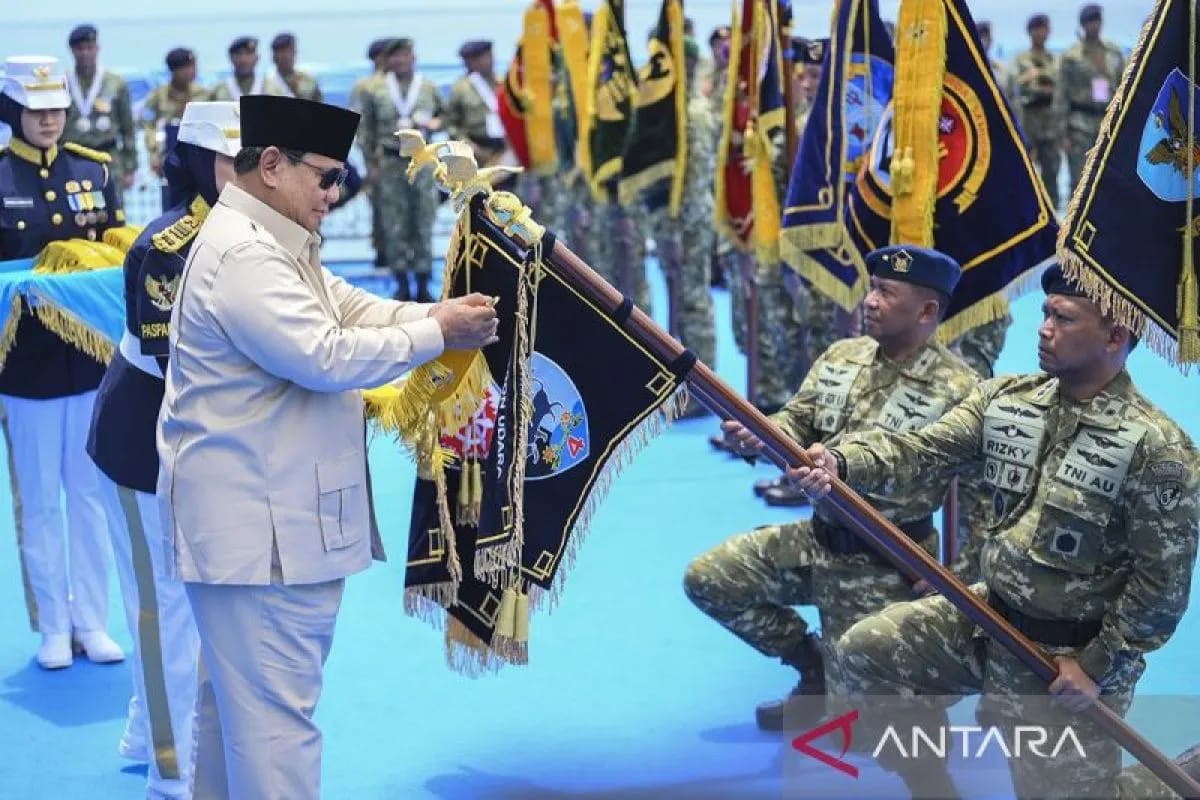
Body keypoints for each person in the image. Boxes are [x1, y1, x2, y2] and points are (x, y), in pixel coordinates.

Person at [157, 93, 500, 799]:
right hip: (262, 540)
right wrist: (439, 335)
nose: (335, 194)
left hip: (265, 526)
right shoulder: (247, 254)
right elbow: (324, 354)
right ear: (273, 165)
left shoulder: (269, 236)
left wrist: (436, 314)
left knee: (238, 725)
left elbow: (349, 307)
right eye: (327, 177)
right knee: (277, 736)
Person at [789, 264, 1200, 798]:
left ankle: (1183, 773)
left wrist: (1096, 667)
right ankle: (929, 783)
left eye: (1064, 318)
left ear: (1115, 337)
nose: (1044, 327)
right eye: (1045, 312)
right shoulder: (1007, 401)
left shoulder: (1156, 449)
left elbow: (1161, 585)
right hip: (987, 620)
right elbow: (923, 449)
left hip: (1064, 661)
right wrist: (844, 461)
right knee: (867, 648)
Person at [687, 246, 985, 732]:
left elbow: (979, 497)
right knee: (710, 578)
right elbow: (796, 422)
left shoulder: (960, 389)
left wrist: (960, 579)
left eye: (886, 293)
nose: (869, 300)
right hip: (817, 540)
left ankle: (873, 690)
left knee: (867, 734)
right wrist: (758, 435)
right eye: (871, 287)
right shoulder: (841, 356)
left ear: (928, 311)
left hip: (890, 563)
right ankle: (813, 665)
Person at [87, 100, 240, 799]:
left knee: (187, 607)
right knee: (165, 608)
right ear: (200, 164)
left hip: (201, 441)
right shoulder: (168, 245)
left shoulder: (254, 233)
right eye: (234, 162)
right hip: (143, 441)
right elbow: (182, 361)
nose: (253, 174)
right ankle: (170, 773)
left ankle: (143, 731)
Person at [0, 55, 126, 670]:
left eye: (56, 109)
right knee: (41, 502)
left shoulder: (93, 171)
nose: (49, 119)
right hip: (23, 368)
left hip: (90, 363)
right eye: (36, 109)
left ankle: (92, 620)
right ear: (13, 111)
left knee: (90, 496)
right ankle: (52, 623)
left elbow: (118, 255)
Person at [358, 37, 444, 302]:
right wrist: (371, 164)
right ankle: (402, 284)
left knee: (423, 222)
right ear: (387, 60)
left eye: (404, 55)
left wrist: (434, 123)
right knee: (394, 225)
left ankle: (423, 284)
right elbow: (365, 131)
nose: (400, 61)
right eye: (394, 57)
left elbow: (445, 115)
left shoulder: (427, 87)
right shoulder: (375, 90)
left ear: (413, 57)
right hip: (390, 164)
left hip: (422, 162)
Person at [1056, 4, 1125, 195]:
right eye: (1090, 22)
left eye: (1097, 21)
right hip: (1079, 124)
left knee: (1107, 179)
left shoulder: (1114, 53)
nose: (1094, 25)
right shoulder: (1071, 57)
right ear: (1083, 25)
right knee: (1079, 180)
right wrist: (1062, 133)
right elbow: (1061, 95)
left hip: (1107, 122)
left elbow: (1123, 87)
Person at [62, 24, 137, 198]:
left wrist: (130, 167)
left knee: (114, 212)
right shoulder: (63, 83)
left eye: (90, 48)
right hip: (72, 159)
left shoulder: (116, 83)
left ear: (97, 49)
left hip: (108, 158)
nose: (85, 53)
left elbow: (128, 128)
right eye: (80, 48)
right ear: (72, 50)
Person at [1011, 13, 1063, 210]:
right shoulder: (1020, 60)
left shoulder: (1055, 60)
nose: (1041, 33)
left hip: (1049, 127)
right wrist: (1029, 81)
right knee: (1026, 176)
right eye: (1037, 29)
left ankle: (1056, 219)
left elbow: (1060, 88)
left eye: (1044, 28)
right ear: (1030, 32)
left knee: (1052, 176)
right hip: (1028, 126)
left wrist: (1039, 77)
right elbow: (1012, 86)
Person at [141, 47, 209, 176]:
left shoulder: (204, 94)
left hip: (199, 156)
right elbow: (149, 127)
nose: (192, 71)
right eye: (187, 67)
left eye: (193, 66)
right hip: (168, 156)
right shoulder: (158, 96)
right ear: (174, 70)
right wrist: (154, 154)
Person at [444, 40, 510, 170]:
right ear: (469, 62)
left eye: (488, 56)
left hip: (507, 149)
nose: (486, 61)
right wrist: (471, 148)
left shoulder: (505, 83)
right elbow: (452, 125)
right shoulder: (461, 89)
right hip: (477, 150)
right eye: (479, 58)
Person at [208, 36, 285, 101]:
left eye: (249, 54)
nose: (243, 59)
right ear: (231, 58)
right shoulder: (219, 91)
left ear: (257, 58)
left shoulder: (271, 88)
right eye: (239, 54)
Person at [270, 33, 323, 101]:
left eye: (289, 51)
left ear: (295, 52)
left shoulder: (309, 81)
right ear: (274, 57)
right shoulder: (265, 83)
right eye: (281, 52)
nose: (286, 56)